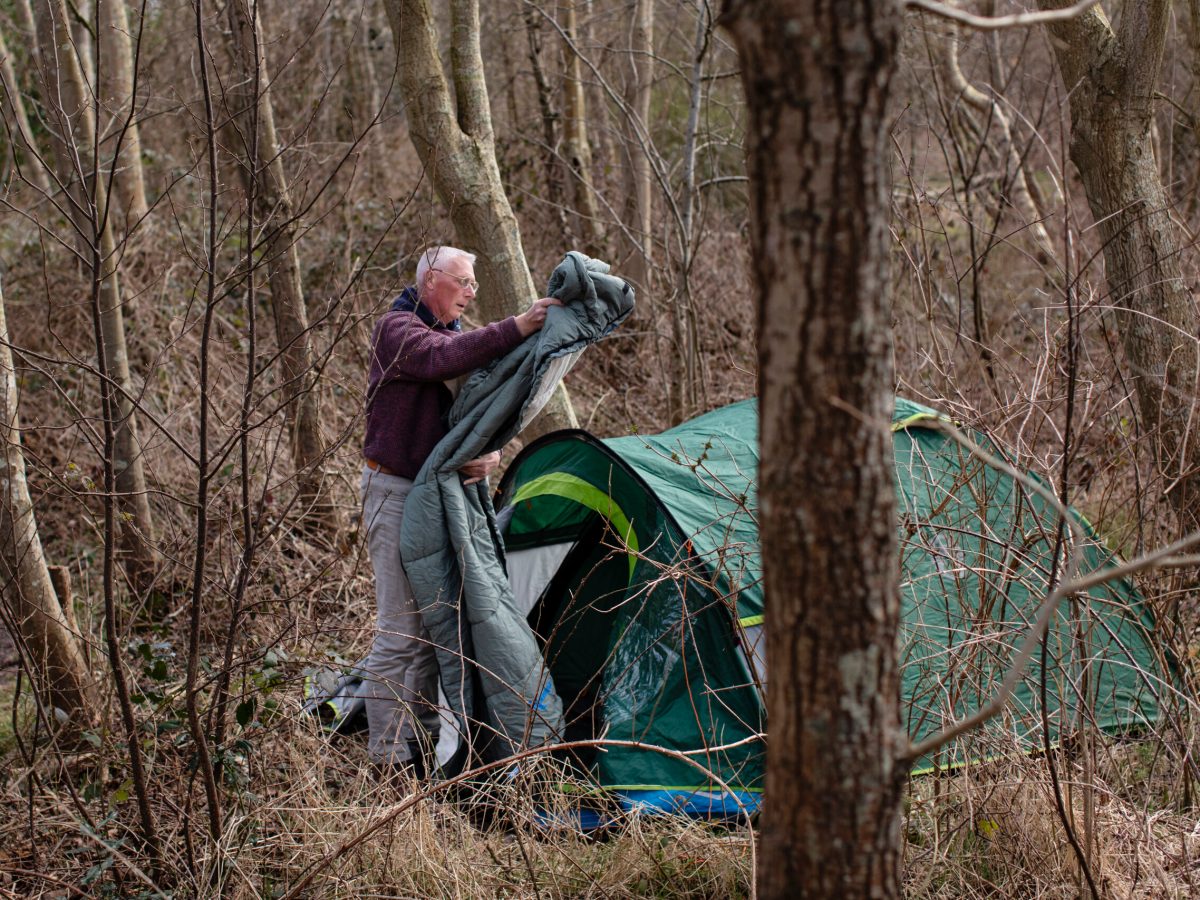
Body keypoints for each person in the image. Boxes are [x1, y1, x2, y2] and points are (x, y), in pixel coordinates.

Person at [360, 245, 559, 776]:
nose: (471, 293)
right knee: (401, 632)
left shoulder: (448, 334)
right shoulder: (398, 330)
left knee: (431, 632)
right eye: (464, 283)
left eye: (474, 284)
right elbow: (441, 359)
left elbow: (469, 411)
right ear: (431, 280)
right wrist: (518, 325)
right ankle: (386, 768)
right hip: (395, 492)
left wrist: (488, 452)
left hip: (435, 499)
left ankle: (417, 753)